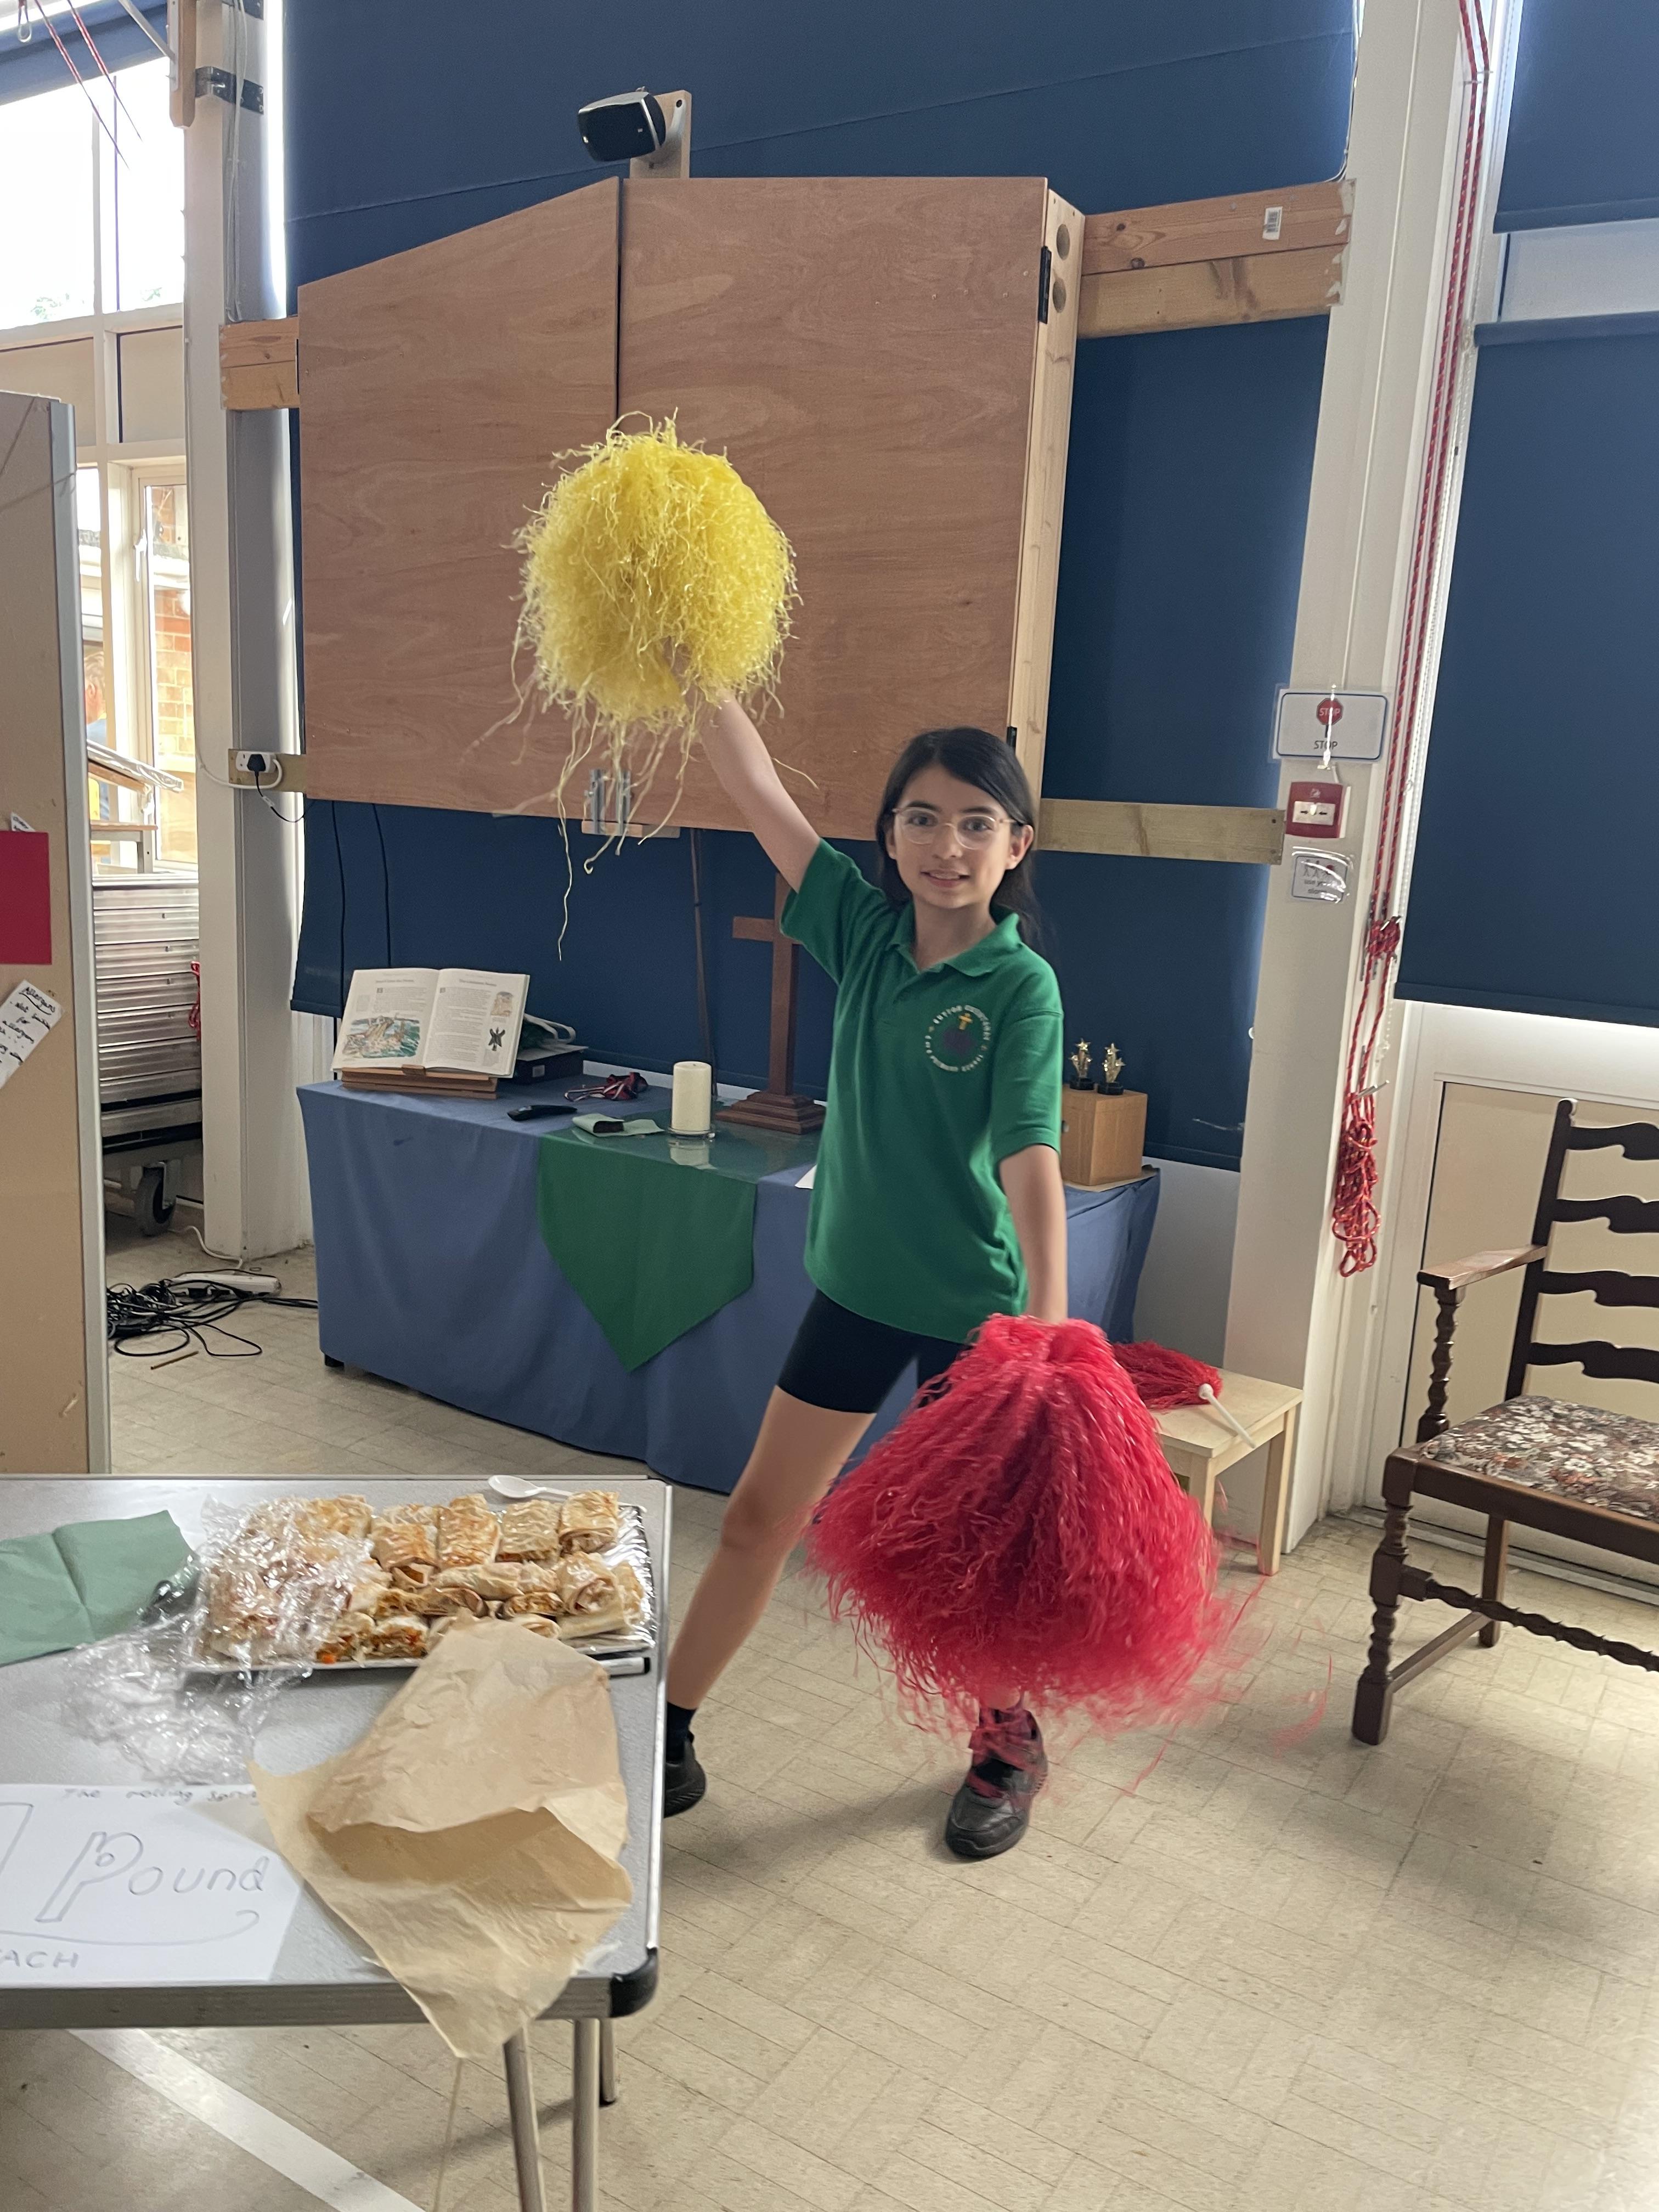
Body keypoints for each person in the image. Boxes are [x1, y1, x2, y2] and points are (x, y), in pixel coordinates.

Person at [663, 691, 1067, 1859]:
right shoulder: (860, 932)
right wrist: (697, 670)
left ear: (1016, 845)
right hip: (852, 1292)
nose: (949, 846)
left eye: (977, 823)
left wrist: (1046, 1321)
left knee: (968, 1560)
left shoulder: (1019, 989)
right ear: (889, 835)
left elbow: (1028, 1150)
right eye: (923, 819)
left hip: (972, 1322)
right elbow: (757, 791)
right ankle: (669, 1728)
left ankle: (1007, 1744)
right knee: (757, 1519)